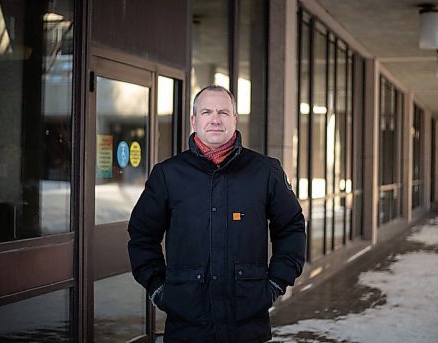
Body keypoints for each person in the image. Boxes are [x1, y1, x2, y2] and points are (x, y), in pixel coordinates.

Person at [127, 85, 306, 342]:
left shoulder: (266, 171)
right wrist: (158, 288)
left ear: (235, 119)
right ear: (194, 120)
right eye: (206, 112)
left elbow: (291, 227)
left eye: (223, 112)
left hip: (247, 323)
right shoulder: (168, 174)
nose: (215, 119)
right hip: (187, 323)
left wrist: (276, 282)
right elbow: (142, 235)